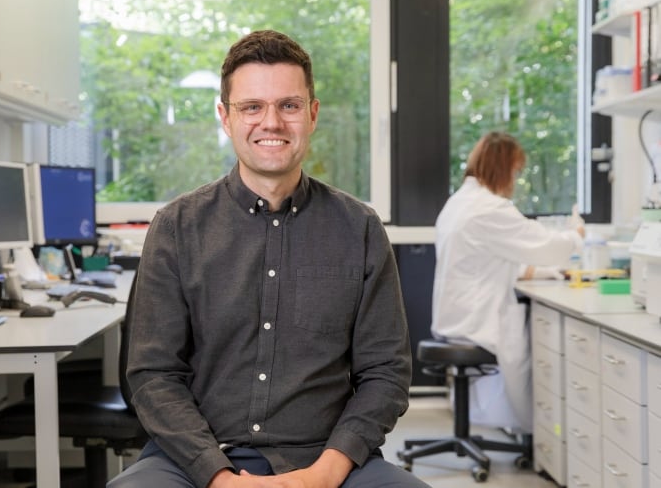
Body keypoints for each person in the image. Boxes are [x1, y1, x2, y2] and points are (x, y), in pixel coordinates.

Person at [108, 30, 430, 488]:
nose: (271, 122)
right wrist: (219, 477)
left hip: (325, 456)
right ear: (225, 117)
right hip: (194, 457)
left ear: (312, 114)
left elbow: (386, 372)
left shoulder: (359, 228)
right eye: (252, 107)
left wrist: (322, 474)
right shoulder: (177, 227)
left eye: (289, 105)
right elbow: (153, 374)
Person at [431, 131, 584, 433]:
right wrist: (576, 236)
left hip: (453, 317)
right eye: (515, 170)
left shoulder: (459, 202)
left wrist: (548, 272)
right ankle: (540, 432)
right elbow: (546, 246)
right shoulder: (490, 208)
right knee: (535, 355)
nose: (515, 179)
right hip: (477, 321)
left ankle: (534, 433)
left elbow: (494, 261)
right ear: (502, 168)